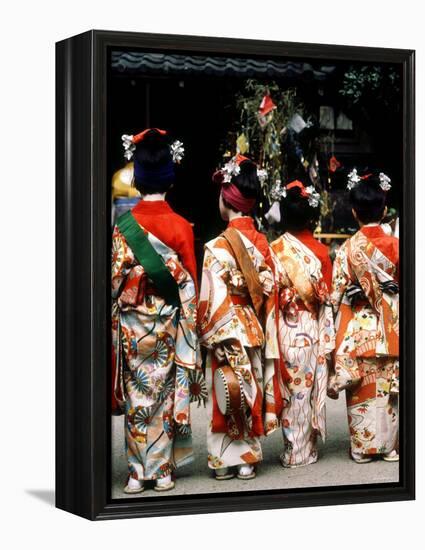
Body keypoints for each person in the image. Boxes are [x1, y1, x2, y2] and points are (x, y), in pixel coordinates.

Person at [111, 128, 205, 494]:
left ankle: (136, 472)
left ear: (137, 177)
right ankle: (162, 469)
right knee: (165, 393)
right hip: (167, 325)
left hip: (134, 328)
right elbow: (191, 285)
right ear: (170, 178)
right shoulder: (181, 226)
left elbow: (116, 281)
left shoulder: (123, 227)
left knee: (137, 395)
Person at [198, 154, 281, 481]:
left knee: (225, 394)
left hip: (224, 327)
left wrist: (212, 335)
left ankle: (223, 462)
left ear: (226, 200)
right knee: (250, 391)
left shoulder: (217, 246)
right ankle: (247, 460)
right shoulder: (265, 245)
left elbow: (209, 296)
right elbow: (272, 289)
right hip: (253, 327)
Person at [329, 169, 399, 464]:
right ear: (384, 210)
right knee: (388, 387)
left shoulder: (347, 249)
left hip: (359, 328)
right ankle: (390, 447)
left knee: (362, 386)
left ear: (354, 212)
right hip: (392, 325)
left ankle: (362, 447)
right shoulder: (398, 245)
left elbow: (335, 295)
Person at [270, 180, 335, 468]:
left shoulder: (274, 249)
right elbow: (328, 295)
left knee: (290, 390)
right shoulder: (321, 252)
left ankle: (294, 449)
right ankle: (304, 448)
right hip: (311, 327)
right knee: (306, 390)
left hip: (284, 326)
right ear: (311, 216)